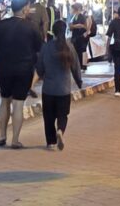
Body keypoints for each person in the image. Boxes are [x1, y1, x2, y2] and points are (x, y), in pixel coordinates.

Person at [0, 0, 42, 149]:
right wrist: (39, 70)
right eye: (28, 6)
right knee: (18, 104)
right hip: (24, 70)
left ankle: (2, 136)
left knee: (5, 101)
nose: (29, 9)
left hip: (4, 69)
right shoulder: (32, 27)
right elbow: (39, 52)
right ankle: (15, 140)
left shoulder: (1, 25)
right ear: (24, 8)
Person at [36, 20, 82, 151]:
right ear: (65, 31)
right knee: (62, 115)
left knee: (48, 117)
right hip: (64, 89)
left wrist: (39, 76)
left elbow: (40, 68)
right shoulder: (69, 47)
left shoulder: (46, 47)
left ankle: (51, 142)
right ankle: (60, 130)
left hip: (48, 89)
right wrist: (79, 81)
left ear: (53, 32)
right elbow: (76, 66)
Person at [68, 3, 91, 71]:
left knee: (80, 51)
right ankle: (78, 66)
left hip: (80, 37)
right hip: (75, 36)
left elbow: (83, 26)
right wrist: (76, 26)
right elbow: (70, 27)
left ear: (75, 9)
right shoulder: (73, 17)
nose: (71, 10)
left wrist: (74, 26)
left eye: (72, 9)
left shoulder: (82, 16)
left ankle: (81, 66)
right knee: (76, 52)